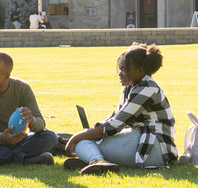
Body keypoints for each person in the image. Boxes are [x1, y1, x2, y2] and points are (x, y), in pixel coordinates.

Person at [62, 43, 177, 176]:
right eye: (120, 68)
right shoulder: (132, 86)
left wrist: (76, 137)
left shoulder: (147, 89)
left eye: (125, 69)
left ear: (140, 70)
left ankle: (96, 160)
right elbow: (114, 117)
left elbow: (115, 125)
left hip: (154, 148)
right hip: (142, 140)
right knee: (87, 140)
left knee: (82, 142)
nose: (120, 73)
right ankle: (96, 161)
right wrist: (89, 132)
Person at [0, 51, 60, 168]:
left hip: (15, 142)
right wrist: (1, 137)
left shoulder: (22, 88)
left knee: (50, 137)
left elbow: (41, 124)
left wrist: (31, 120)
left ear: (6, 76)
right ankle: (23, 160)